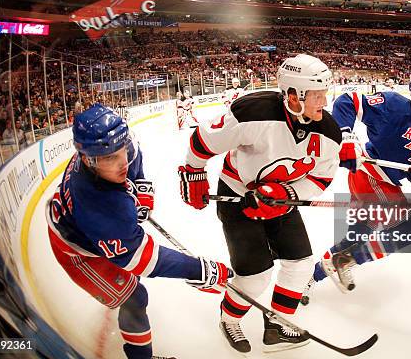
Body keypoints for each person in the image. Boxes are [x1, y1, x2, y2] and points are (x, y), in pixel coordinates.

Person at [178, 54, 341, 353]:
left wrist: (288, 196)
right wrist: (193, 171)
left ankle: (278, 325)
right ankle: (229, 319)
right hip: (239, 195)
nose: (324, 103)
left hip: (281, 201)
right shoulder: (252, 112)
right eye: (317, 95)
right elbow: (203, 140)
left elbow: (321, 178)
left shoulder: (329, 132)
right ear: (293, 95)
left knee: (301, 264)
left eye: (324, 94)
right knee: (255, 277)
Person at [47, 104, 232, 359]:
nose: (122, 161)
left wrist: (143, 197)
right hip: (77, 250)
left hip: (93, 225)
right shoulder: (101, 205)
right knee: (134, 297)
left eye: (121, 150)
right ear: (88, 160)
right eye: (110, 157)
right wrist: (197, 269)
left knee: (133, 284)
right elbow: (143, 260)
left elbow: (134, 163)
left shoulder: (115, 145)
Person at [302, 74, 411, 303]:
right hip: (370, 174)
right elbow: (347, 101)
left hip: (385, 182)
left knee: (356, 237)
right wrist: (346, 137)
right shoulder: (392, 105)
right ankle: (346, 260)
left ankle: (309, 279)